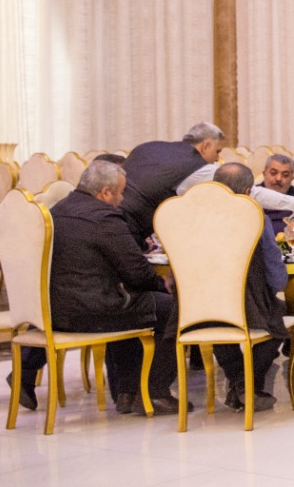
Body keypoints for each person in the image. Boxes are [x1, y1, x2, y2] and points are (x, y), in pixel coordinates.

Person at [16, 160, 184, 414]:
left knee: (134, 306)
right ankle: (154, 393)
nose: (122, 199)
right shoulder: (105, 218)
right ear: (105, 192)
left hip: (54, 311)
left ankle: (127, 393)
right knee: (173, 309)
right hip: (91, 311)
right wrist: (162, 286)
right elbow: (138, 273)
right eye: (120, 193)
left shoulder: (56, 211)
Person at [206, 162, 290, 412]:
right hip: (248, 302)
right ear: (247, 191)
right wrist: (276, 287)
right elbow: (273, 265)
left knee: (218, 326)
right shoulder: (255, 216)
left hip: (203, 305)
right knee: (278, 324)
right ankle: (247, 384)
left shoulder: (195, 216)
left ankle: (239, 383)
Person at [120, 123, 225, 245]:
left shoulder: (147, 147)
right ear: (205, 146)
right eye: (217, 151)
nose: (217, 159)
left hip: (106, 215)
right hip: (128, 233)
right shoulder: (202, 169)